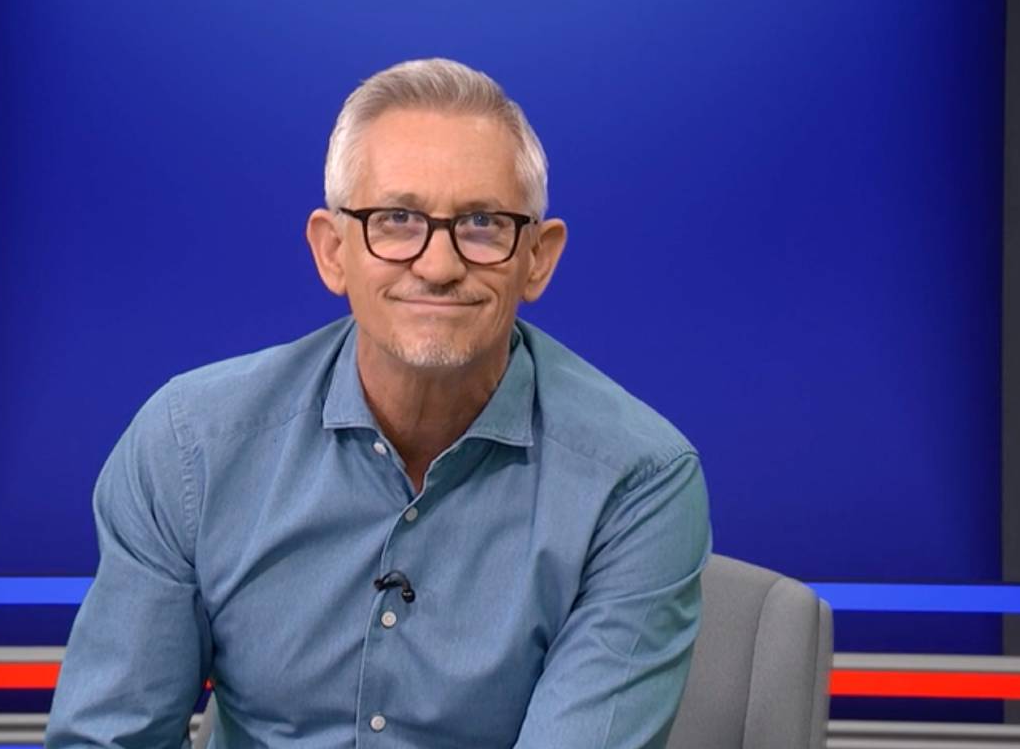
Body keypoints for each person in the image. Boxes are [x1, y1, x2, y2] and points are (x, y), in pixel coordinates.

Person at [46, 57, 713, 749]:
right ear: (332, 251)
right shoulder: (189, 447)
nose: (437, 264)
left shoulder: (638, 480)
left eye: (482, 223)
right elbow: (107, 738)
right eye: (397, 219)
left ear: (537, 258)